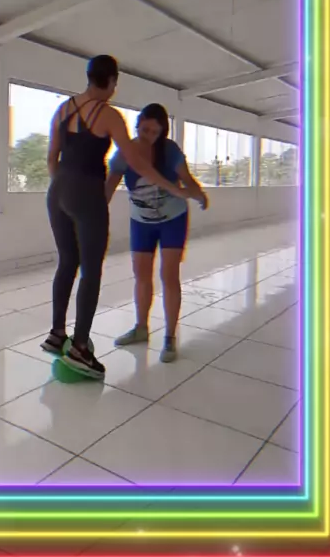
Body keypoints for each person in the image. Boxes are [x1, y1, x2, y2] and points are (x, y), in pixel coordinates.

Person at [40, 57, 193, 380]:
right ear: (112, 81)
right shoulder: (108, 115)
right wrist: (172, 188)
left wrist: (65, 188)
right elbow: (137, 161)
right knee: (91, 270)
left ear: (88, 77)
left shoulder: (63, 110)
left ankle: (57, 334)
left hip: (57, 192)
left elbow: (51, 157)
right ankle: (80, 349)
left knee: (67, 262)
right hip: (87, 193)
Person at [105, 103, 208, 363]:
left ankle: (170, 337)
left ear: (162, 132)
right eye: (145, 129)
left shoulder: (169, 150)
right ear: (137, 125)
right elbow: (108, 189)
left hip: (173, 219)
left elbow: (187, 179)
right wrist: (92, 214)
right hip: (141, 221)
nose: (149, 135)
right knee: (141, 275)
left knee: (169, 275)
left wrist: (198, 192)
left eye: (155, 132)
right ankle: (141, 328)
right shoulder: (124, 153)